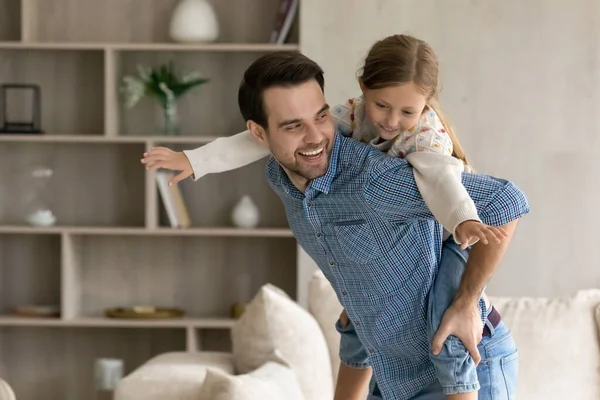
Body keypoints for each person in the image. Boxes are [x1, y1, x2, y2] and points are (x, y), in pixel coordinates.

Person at [141, 35, 517, 399]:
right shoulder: (283, 175)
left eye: (319, 117)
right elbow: (357, 317)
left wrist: (467, 300)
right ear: (260, 133)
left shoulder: (380, 176)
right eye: (292, 126)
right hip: (393, 377)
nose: (315, 136)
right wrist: (194, 160)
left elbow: (505, 199)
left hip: (466, 363)